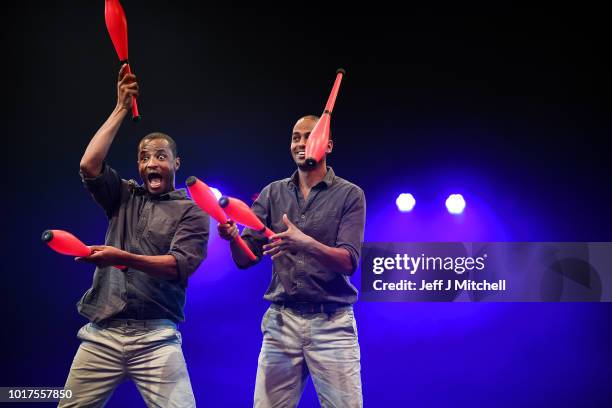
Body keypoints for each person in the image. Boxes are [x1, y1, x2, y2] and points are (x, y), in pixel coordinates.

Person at [59, 64, 209, 408]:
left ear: (176, 163)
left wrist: (121, 257)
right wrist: (121, 108)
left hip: (157, 337)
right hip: (103, 334)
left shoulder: (193, 210)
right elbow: (89, 165)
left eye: (160, 156)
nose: (151, 162)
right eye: (144, 157)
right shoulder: (123, 195)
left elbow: (177, 266)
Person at [219, 115, 366, 407]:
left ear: (328, 145)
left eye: (309, 137)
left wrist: (304, 243)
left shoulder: (350, 195)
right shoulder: (273, 193)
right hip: (281, 322)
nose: (301, 143)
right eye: (296, 137)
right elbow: (245, 259)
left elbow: (349, 261)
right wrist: (233, 237)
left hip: (332, 323)